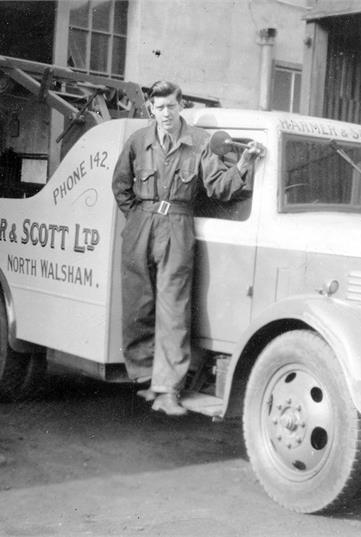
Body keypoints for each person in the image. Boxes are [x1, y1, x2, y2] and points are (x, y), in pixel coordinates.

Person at [111, 81, 263, 416]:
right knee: (138, 302)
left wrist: (243, 164)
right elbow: (121, 185)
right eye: (159, 107)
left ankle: (167, 389)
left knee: (173, 308)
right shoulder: (138, 141)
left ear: (181, 106)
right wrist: (137, 218)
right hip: (141, 221)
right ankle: (143, 376)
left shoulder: (199, 143)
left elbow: (218, 187)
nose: (165, 113)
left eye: (171, 106)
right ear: (151, 108)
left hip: (178, 224)